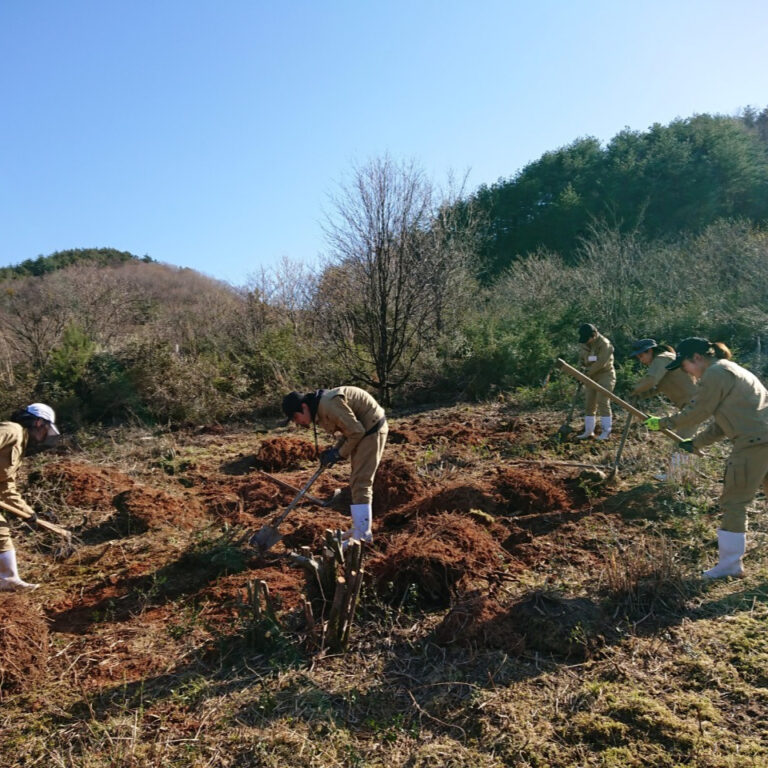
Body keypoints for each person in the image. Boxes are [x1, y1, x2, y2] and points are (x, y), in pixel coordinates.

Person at [644, 338, 768, 579]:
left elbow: (698, 411)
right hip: (762, 439)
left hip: (753, 444)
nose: (685, 372)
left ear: (697, 358)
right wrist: (695, 443)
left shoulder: (715, 372)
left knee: (734, 503)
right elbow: (722, 423)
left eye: (685, 366)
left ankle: (730, 565)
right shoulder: (732, 370)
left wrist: (663, 423)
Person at [281, 386, 388, 545]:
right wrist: (335, 450)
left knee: (361, 482)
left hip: (371, 429)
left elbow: (356, 431)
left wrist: (338, 454)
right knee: (356, 481)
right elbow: (350, 430)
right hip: (364, 429)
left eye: (296, 418)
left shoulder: (328, 405)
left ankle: (363, 535)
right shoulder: (320, 406)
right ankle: (359, 527)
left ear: (304, 407)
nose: (298, 423)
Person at [0, 403, 60, 592]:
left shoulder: (19, 447)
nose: (44, 437)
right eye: (45, 431)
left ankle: (7, 579)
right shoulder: (12, 430)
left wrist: (29, 514)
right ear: (38, 422)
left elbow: (7, 488)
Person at [628, 338, 698, 482]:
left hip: (695, 404)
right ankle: (681, 476)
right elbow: (656, 388)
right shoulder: (663, 360)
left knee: (682, 440)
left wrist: (633, 389)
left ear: (650, 351)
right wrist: (639, 396)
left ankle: (675, 478)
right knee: (684, 439)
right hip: (691, 404)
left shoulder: (662, 359)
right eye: (638, 357)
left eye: (642, 355)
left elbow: (651, 380)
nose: (641, 360)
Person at [576, 323, 616, 440]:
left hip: (605, 375)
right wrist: (580, 370)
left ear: (594, 335)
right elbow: (581, 360)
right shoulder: (584, 344)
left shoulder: (605, 344)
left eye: (587, 339)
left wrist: (586, 374)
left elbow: (600, 363)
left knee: (602, 401)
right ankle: (589, 431)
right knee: (589, 404)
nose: (586, 342)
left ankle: (606, 432)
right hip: (589, 376)